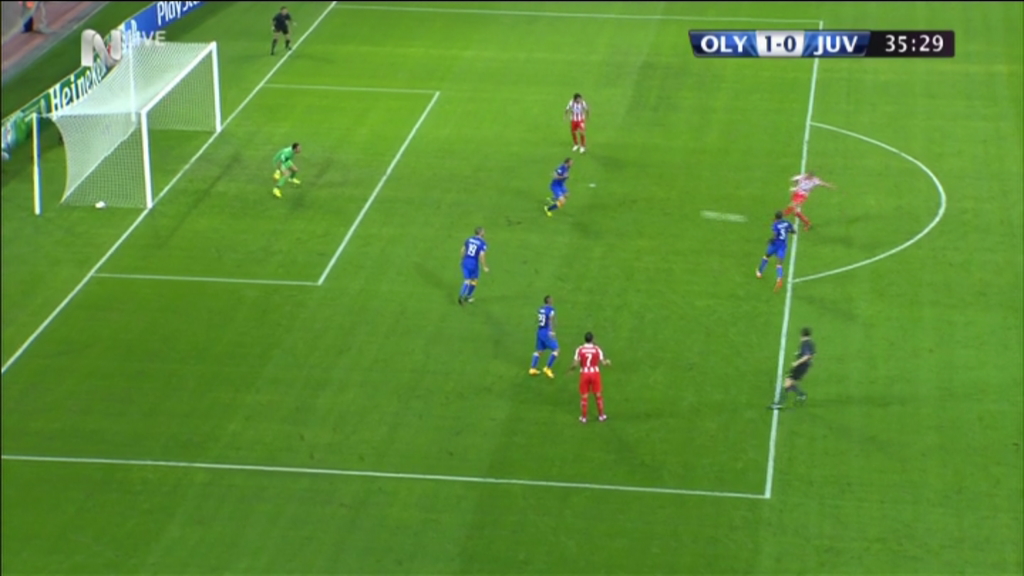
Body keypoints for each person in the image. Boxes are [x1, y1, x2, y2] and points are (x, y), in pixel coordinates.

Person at [569, 332, 611, 422]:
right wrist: (607, 362)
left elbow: (575, 363)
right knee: (598, 394)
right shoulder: (597, 349)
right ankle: (601, 416)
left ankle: (584, 418)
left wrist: (571, 370)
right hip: (595, 373)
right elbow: (603, 363)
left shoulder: (580, 349)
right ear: (592, 339)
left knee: (584, 396)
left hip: (584, 373)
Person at [770, 327, 815, 409]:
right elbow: (812, 355)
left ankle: (780, 403)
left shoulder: (805, 344)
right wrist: (799, 354)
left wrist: (796, 362)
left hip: (801, 366)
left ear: (802, 335)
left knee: (787, 382)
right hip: (804, 366)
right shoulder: (811, 343)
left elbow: (807, 356)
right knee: (790, 381)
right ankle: (801, 394)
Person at [757, 211, 797, 292]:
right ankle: (779, 278)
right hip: (782, 246)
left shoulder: (775, 225)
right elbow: (793, 231)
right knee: (779, 264)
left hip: (775, 245)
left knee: (766, 256)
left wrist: (769, 240)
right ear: (782, 216)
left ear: (775, 217)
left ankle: (760, 272)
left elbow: (775, 236)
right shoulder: (787, 222)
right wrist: (788, 231)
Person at [529, 296, 559, 377]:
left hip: (540, 331)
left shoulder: (540, 309)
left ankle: (532, 369)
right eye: (551, 299)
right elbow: (550, 320)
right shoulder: (551, 309)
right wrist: (551, 331)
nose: (553, 300)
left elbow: (539, 319)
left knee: (540, 351)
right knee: (556, 350)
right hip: (546, 332)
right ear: (549, 301)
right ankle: (547, 368)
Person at [458, 228, 488, 304]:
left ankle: (462, 295)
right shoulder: (482, 243)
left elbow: (462, 250)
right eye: (483, 232)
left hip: (465, 261)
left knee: (467, 280)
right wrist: (484, 266)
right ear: (481, 233)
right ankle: (468, 296)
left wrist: (462, 260)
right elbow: (482, 256)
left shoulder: (468, 239)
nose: (484, 233)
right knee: (474, 280)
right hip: (473, 263)